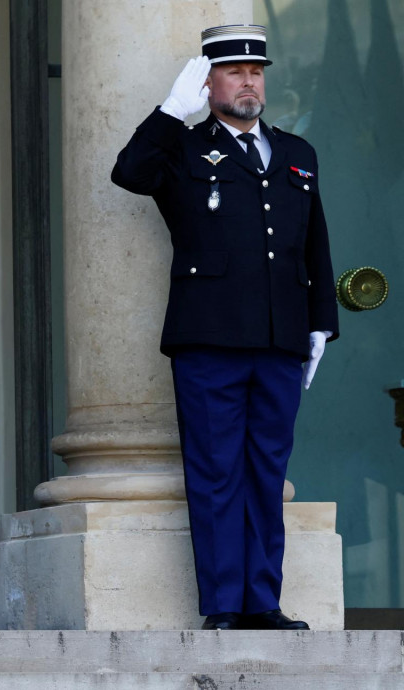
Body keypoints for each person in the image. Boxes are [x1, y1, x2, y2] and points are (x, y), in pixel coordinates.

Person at [111, 25, 338, 631]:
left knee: (267, 471)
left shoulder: (297, 152)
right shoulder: (181, 148)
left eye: (256, 71)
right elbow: (128, 173)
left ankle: (263, 601)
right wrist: (167, 113)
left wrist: (321, 324)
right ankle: (223, 605)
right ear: (207, 82)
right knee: (215, 473)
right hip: (209, 339)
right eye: (234, 71)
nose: (248, 81)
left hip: (279, 338)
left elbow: (313, 244)